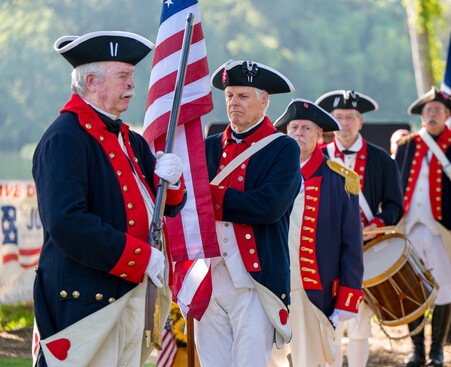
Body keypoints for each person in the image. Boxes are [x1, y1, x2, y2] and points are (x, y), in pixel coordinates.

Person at [32, 31, 186, 366]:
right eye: (123, 77)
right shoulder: (65, 138)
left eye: (132, 76)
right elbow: (67, 222)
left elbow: (170, 206)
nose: (132, 85)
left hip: (127, 292)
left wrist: (172, 181)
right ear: (91, 81)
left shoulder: (131, 139)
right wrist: (139, 256)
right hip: (86, 298)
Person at [198, 60, 302, 367]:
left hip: (255, 277)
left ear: (264, 100)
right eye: (229, 95)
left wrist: (207, 197)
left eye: (243, 96)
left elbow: (268, 207)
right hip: (208, 275)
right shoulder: (207, 147)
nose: (233, 103)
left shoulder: (283, 148)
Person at [269, 99, 364, 367]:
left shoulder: (340, 179)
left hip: (312, 289)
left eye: (306, 128)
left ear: (320, 135)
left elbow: (352, 243)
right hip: (269, 284)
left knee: (311, 360)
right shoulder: (269, 173)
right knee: (267, 358)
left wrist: (348, 295)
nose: (299, 132)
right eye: (294, 127)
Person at [395, 87, 451, 367]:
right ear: (422, 116)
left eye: (438, 111)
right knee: (411, 290)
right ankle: (417, 350)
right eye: (428, 111)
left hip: (444, 232)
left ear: (447, 116)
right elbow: (395, 189)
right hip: (409, 229)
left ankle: (437, 350)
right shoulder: (407, 146)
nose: (432, 115)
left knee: (445, 289)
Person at [316, 89, 404, 367]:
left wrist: (374, 227)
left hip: (364, 248)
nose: (344, 122)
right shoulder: (317, 157)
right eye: (339, 117)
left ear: (360, 122)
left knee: (359, 320)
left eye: (350, 117)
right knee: (324, 320)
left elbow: (394, 206)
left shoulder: (381, 160)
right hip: (323, 249)